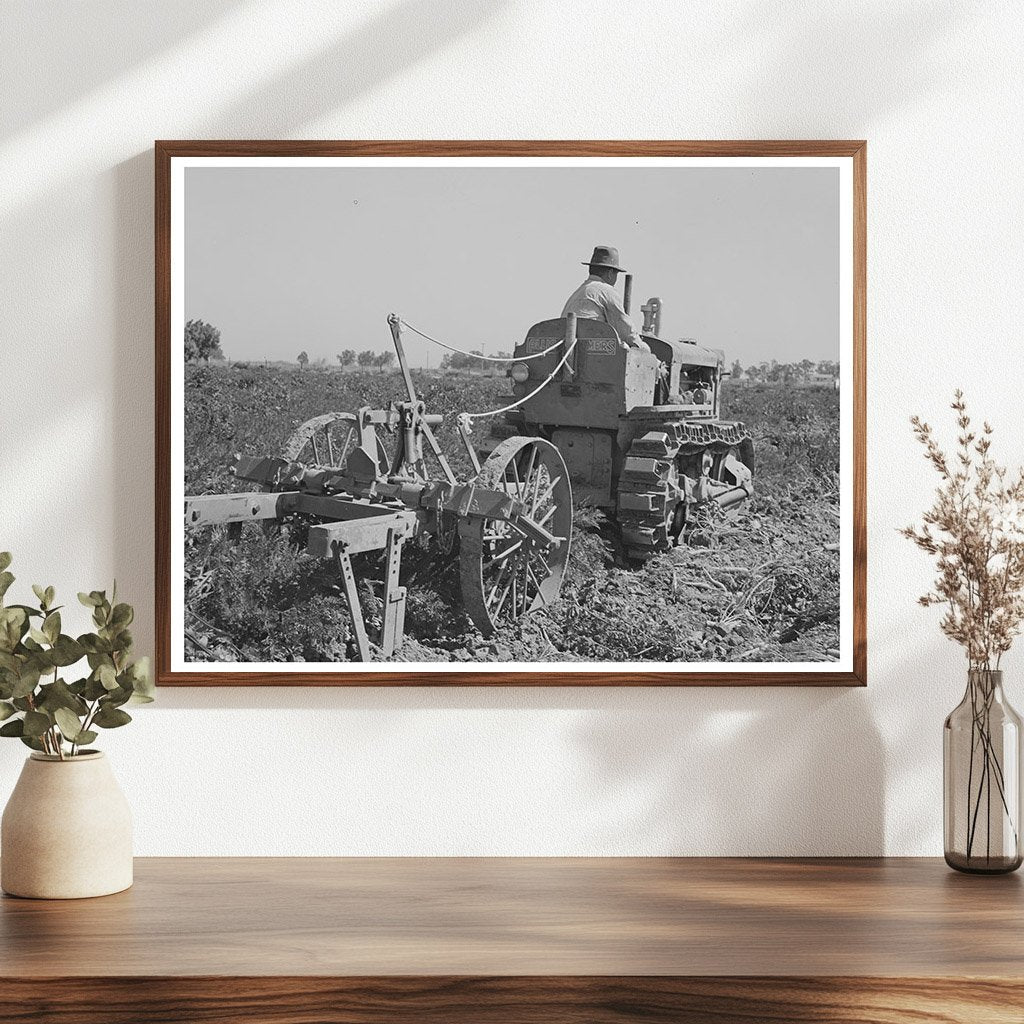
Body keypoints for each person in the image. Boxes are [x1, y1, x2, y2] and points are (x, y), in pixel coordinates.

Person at [561, 246, 649, 351]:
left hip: (567, 349)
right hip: (594, 353)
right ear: (610, 273)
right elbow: (626, 330)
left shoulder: (578, 292)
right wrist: (645, 349)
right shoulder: (607, 292)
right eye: (616, 273)